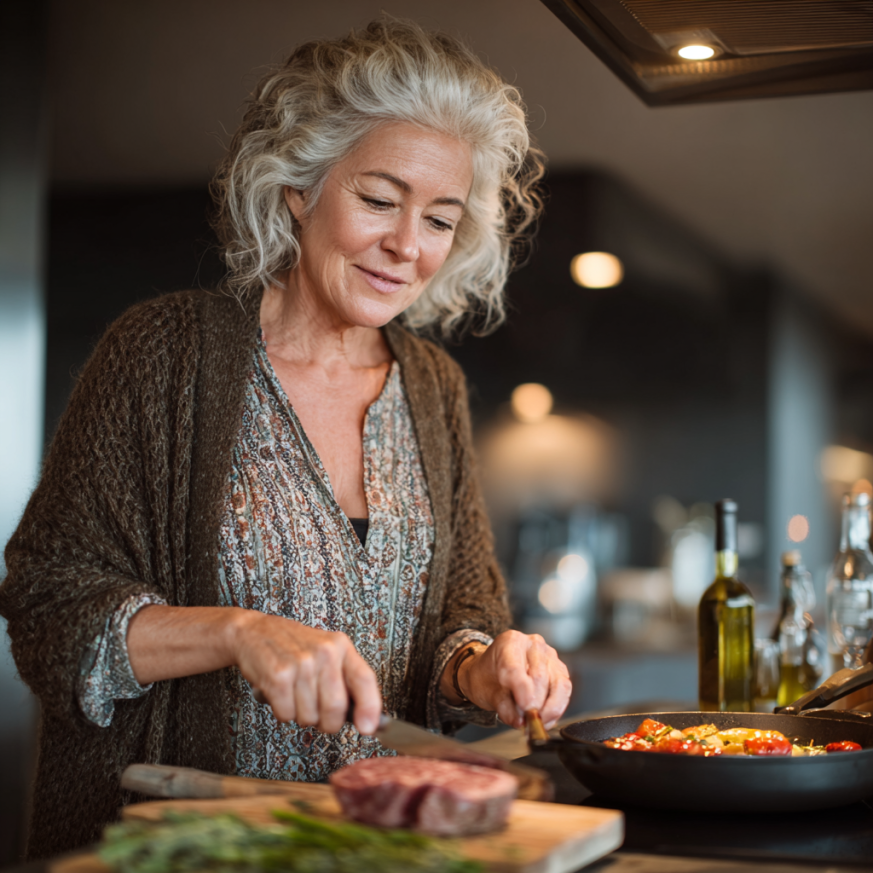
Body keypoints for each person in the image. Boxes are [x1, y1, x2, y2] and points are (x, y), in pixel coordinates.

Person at [0, 18, 571, 859]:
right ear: (299, 186)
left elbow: (457, 617)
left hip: (381, 851)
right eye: (378, 200)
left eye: (439, 219)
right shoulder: (162, 355)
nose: (406, 245)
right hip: (186, 849)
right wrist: (238, 631)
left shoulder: (434, 386)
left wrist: (482, 666)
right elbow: (47, 607)